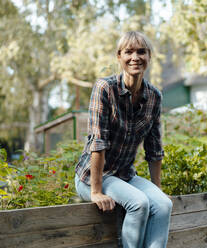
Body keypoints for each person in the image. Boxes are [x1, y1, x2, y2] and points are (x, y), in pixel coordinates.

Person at [75, 31, 172, 248]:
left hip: (125, 176)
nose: (135, 57)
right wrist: (96, 192)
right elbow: (97, 142)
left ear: (149, 57)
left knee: (163, 204)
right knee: (138, 203)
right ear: (119, 57)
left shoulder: (154, 96)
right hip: (93, 177)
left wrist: (156, 189)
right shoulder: (105, 88)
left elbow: (154, 148)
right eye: (128, 52)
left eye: (141, 52)